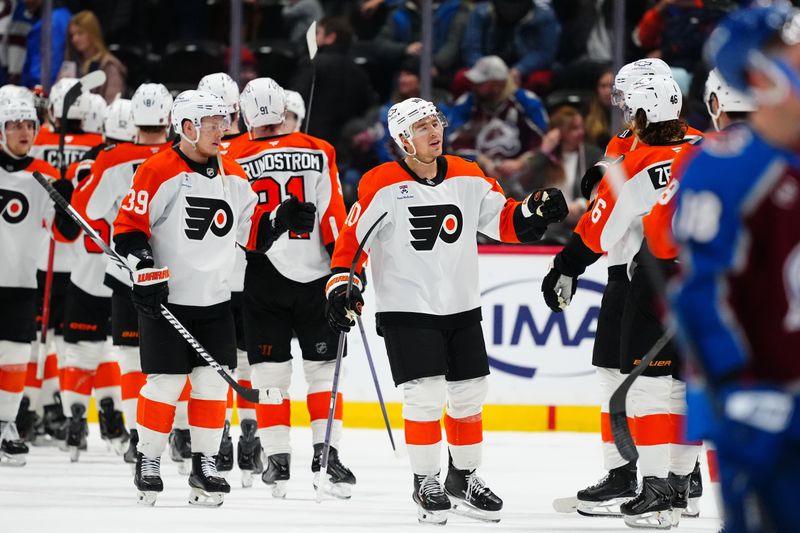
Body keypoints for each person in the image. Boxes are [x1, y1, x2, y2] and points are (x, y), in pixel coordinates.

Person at [326, 97, 568, 524]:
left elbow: (504, 222)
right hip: (407, 308)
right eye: (421, 127)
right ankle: (426, 480)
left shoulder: (468, 174)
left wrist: (533, 210)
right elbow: (351, 246)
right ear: (403, 139)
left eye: (435, 122)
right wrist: (343, 288)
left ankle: (464, 477)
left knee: (470, 394)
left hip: (460, 305)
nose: (434, 131)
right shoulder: (379, 184)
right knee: (425, 396)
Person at [113, 89, 314, 506]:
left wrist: (280, 219)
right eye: (212, 124)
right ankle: (148, 458)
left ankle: (204, 462)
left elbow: (251, 235)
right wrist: (144, 267)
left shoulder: (234, 175)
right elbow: (128, 230)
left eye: (224, 122)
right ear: (186, 128)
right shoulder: (158, 170)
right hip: (168, 301)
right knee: (165, 384)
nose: (222, 130)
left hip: (215, 302)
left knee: (210, 387)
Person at [542, 76, 698, 524]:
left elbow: (599, 224)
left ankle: (657, 483)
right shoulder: (700, 145)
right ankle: (661, 479)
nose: (622, 109)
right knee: (672, 382)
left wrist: (566, 266)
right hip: (689, 279)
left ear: (645, 108)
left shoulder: (643, 159)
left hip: (643, 277)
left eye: (627, 101)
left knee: (648, 384)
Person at [672, 6, 800, 532]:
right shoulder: (726, 169)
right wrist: (737, 386)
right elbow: (700, 294)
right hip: (761, 401)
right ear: (761, 71)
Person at [227, 77, 350, 499]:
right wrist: (346, 270)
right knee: (323, 371)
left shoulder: (232, 154)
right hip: (317, 273)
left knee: (269, 374)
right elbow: (335, 215)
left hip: (260, 274)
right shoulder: (320, 149)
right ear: (283, 109)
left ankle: (277, 458)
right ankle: (327, 453)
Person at [63, 83, 172, 467]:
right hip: (174, 273)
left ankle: (139, 438)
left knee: (129, 360)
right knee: (176, 360)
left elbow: (86, 209)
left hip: (127, 272)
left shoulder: (111, 159)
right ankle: (185, 435)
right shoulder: (182, 154)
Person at [0, 97, 78, 465]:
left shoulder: (44, 174)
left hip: (19, 282)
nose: (24, 132)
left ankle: (6, 426)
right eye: (15, 125)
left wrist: (67, 202)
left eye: (29, 125)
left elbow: (64, 236)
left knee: (16, 356)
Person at [196, 71, 252, 483]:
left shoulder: (192, 152)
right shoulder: (251, 148)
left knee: (203, 365)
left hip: (209, 278)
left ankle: (216, 435)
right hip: (245, 275)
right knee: (243, 359)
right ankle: (245, 429)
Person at [446, 55, 548, 183]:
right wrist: (481, 160)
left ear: (498, 84)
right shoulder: (467, 103)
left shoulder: (527, 102)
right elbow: (453, 139)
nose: (474, 85)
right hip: (477, 175)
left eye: (481, 83)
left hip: (522, 178)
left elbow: (544, 141)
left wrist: (521, 162)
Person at [290, 16, 377, 148]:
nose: (314, 37)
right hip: (343, 147)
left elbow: (295, 99)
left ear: (331, 37)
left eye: (318, 32)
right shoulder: (359, 72)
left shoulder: (312, 64)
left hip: (310, 143)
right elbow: (368, 107)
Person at [520, 106, 601, 240]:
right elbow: (524, 184)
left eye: (581, 127)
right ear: (560, 132)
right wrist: (544, 152)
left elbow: (601, 188)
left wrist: (581, 204)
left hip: (580, 220)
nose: (580, 132)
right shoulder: (545, 157)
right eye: (574, 128)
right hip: (549, 222)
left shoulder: (591, 155)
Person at [462, 0, 561, 88]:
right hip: (486, 68)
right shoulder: (480, 13)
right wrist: (486, 71)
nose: (510, 9)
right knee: (461, 80)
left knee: (540, 81)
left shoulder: (545, 17)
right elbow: (471, 48)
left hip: (525, 70)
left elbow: (544, 53)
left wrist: (519, 70)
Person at [62, 10, 127, 103]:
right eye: (72, 35)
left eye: (80, 33)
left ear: (92, 33)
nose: (74, 39)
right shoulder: (72, 63)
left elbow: (112, 104)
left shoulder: (109, 66)